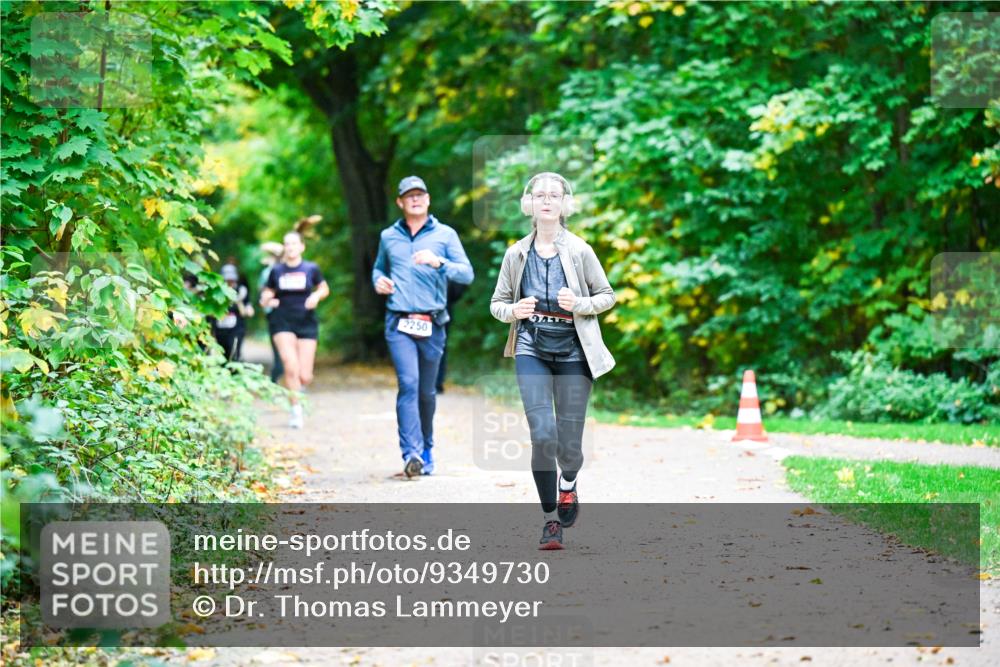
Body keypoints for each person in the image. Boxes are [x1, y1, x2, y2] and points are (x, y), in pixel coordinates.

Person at [489, 172, 616, 550]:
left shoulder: (579, 250)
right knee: (543, 435)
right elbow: (496, 304)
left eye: (554, 196)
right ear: (530, 204)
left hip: (575, 351)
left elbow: (606, 295)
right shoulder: (516, 253)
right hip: (532, 347)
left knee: (569, 446)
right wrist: (515, 310)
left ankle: (568, 485)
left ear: (564, 204)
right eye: (540, 195)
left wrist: (578, 304)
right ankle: (549, 521)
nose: (547, 200)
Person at [373, 176, 474, 478]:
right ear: (400, 203)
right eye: (409, 195)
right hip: (399, 321)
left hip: (432, 322)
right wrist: (378, 281)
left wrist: (439, 262)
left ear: (428, 200)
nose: (415, 199)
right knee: (408, 383)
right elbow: (379, 267)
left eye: (420, 194)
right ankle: (411, 453)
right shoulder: (388, 236)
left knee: (427, 392)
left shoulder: (445, 235)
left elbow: (467, 274)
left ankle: (427, 447)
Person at [259, 231, 330, 429]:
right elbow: (267, 291)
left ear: (302, 247)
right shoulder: (277, 271)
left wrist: (316, 297)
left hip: (306, 321)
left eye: (294, 244)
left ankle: (298, 389)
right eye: (287, 244)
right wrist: (266, 298)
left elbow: (324, 288)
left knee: (305, 374)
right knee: (290, 366)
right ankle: (296, 411)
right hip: (282, 321)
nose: (290, 247)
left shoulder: (311, 268)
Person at [212, 263, 254, 363]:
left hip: (237, 328)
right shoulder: (216, 291)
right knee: (223, 354)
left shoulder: (241, 290)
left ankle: (235, 374)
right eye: (227, 280)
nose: (229, 282)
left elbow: (248, 308)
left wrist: (244, 306)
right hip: (220, 328)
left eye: (231, 279)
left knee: (234, 353)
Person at [257, 241, 285, 383]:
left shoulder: (285, 270)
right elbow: (262, 294)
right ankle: (277, 374)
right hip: (274, 313)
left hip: (286, 313)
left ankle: (280, 374)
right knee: (278, 345)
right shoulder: (268, 272)